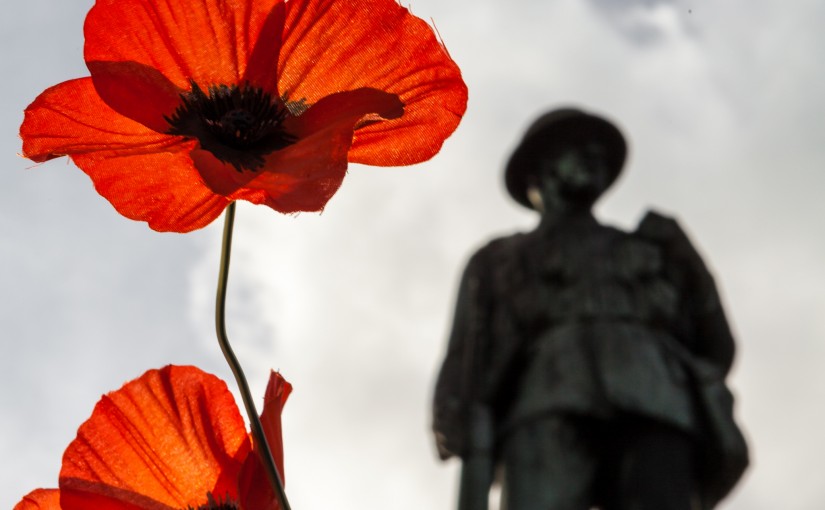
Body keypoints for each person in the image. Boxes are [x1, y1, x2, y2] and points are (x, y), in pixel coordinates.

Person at [432, 108, 747, 510]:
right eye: (576, 148)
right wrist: (456, 421)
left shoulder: (655, 249)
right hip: (545, 405)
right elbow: (462, 362)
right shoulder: (497, 260)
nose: (593, 156)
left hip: (656, 403)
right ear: (537, 171)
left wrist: (692, 266)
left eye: (598, 151)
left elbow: (717, 352)